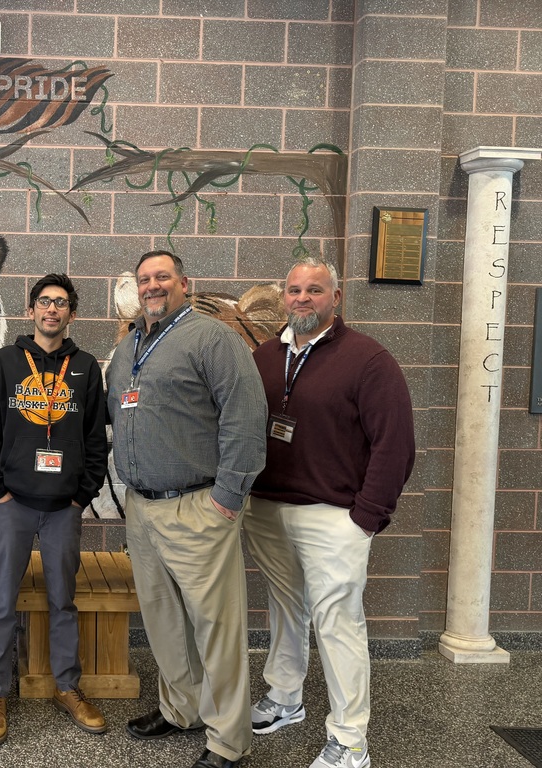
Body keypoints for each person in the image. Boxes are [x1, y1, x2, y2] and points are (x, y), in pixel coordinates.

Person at [243, 257, 415, 768]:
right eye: (294, 289)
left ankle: (349, 740)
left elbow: (395, 445)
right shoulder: (266, 356)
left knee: (338, 623)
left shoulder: (369, 360)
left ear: (335, 298)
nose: (301, 298)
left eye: (314, 290)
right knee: (284, 608)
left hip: (333, 515)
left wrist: (366, 517)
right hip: (269, 508)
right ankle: (285, 698)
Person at [106, 250, 267, 768]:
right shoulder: (131, 344)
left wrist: (227, 497)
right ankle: (181, 710)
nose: (152, 286)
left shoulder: (211, 338)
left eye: (162, 277)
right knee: (164, 621)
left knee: (215, 628)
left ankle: (227, 741)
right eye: (144, 279)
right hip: (143, 507)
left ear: (183, 283)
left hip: (198, 506)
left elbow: (246, 417)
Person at [0, 274, 109, 745]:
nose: (52, 310)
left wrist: (82, 494)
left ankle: (68, 686)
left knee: (62, 600)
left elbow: (96, 437)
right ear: (30, 309)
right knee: (1, 601)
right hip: (14, 502)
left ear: (71, 313)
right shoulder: (6, 363)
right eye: (44, 302)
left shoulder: (87, 367)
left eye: (61, 303)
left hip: (63, 508)